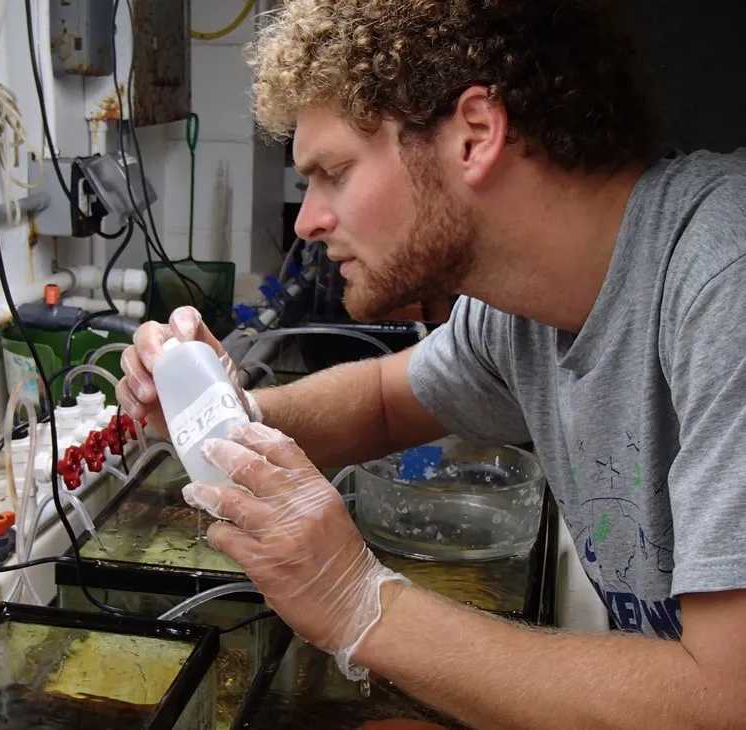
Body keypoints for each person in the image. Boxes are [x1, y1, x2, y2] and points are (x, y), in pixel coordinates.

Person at [117, 0, 746, 726]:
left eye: (334, 172)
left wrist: (361, 604)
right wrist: (229, 421)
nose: (306, 219)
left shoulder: (721, 278)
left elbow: (721, 699)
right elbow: (385, 399)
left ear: (474, 135)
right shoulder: (519, 313)